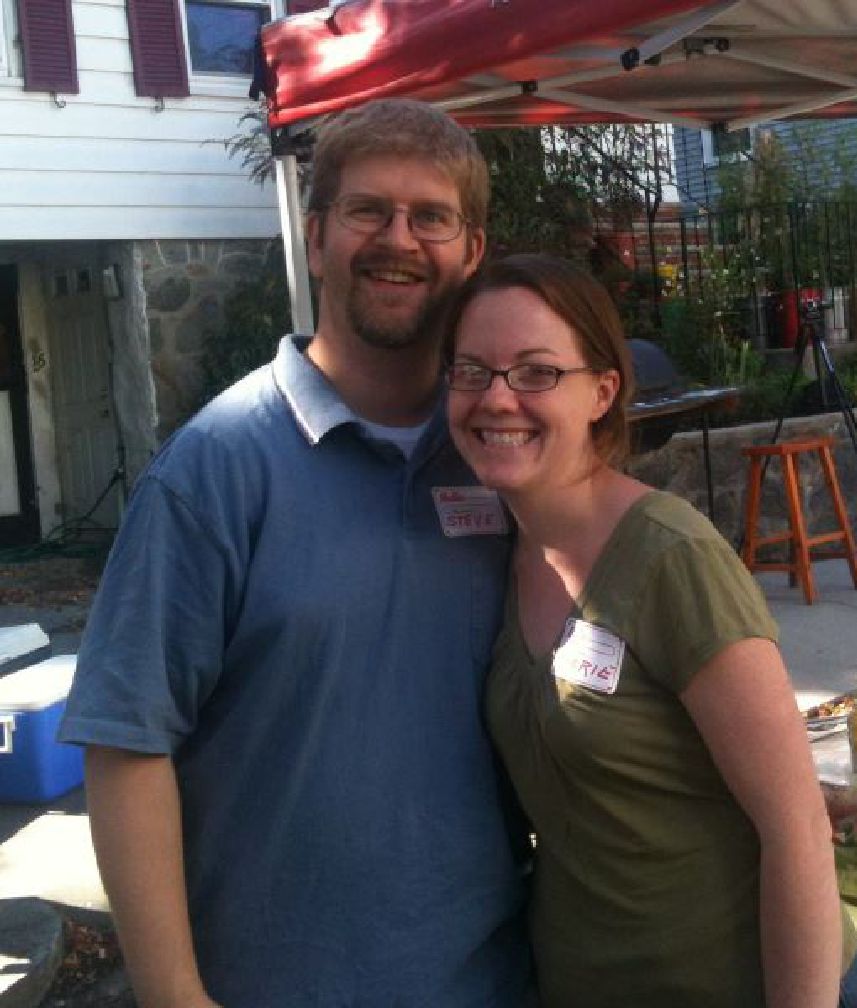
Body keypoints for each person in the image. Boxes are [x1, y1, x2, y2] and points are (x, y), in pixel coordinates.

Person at [58, 100, 532, 1006]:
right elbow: (126, 746)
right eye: (368, 211)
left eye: (431, 216)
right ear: (316, 239)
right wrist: (174, 995)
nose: (399, 239)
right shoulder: (215, 469)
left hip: (493, 977)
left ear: (472, 251)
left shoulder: (499, 456)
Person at [447, 254, 857, 1008]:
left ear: (602, 392)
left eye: (536, 372)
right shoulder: (500, 556)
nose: (497, 397)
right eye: (472, 371)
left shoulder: (672, 556)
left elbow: (796, 829)